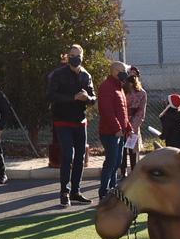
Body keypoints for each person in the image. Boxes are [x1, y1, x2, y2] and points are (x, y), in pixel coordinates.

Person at [47, 44, 96, 207]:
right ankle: (64, 192)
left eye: (77, 55)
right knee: (68, 155)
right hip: (62, 120)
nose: (75, 58)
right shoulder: (58, 74)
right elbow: (51, 95)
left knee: (80, 157)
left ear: (82, 56)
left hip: (80, 121)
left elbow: (93, 97)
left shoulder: (86, 75)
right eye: (72, 55)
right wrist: (73, 97)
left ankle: (76, 191)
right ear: (68, 57)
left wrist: (87, 98)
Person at [97, 61, 133, 199]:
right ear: (115, 71)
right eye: (123, 70)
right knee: (111, 161)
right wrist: (117, 128)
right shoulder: (107, 87)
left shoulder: (119, 88)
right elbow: (107, 111)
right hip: (110, 132)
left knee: (117, 161)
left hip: (119, 132)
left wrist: (127, 127)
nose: (126, 73)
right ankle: (104, 192)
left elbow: (122, 111)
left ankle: (112, 189)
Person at [119, 66, 147, 178]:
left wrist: (133, 126)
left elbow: (141, 111)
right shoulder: (121, 90)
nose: (131, 77)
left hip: (134, 123)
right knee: (122, 149)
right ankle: (122, 172)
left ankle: (134, 171)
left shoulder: (142, 93)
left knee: (133, 150)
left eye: (134, 75)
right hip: (121, 122)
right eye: (129, 74)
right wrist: (123, 123)